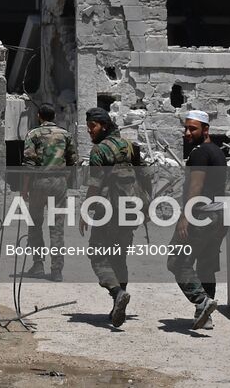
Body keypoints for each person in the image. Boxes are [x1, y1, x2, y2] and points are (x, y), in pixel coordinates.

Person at [167, 110, 226, 330]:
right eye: (186, 128)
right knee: (206, 266)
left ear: (206, 130)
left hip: (201, 215)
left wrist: (185, 216)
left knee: (177, 262)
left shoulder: (199, 153)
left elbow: (196, 186)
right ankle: (206, 317)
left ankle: (202, 302)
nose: (187, 132)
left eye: (193, 128)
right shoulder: (218, 152)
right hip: (219, 215)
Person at [85, 107, 141, 328]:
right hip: (130, 210)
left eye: (93, 127)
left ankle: (117, 293)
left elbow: (95, 184)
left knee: (97, 254)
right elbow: (143, 176)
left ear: (104, 126)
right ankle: (120, 301)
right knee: (119, 257)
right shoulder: (129, 146)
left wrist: (85, 211)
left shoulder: (99, 150)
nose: (90, 131)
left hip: (107, 211)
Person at [21, 103, 77, 280]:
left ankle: (38, 265)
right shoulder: (66, 134)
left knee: (35, 223)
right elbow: (73, 160)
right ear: (54, 117)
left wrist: (24, 188)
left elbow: (29, 163)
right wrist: (64, 179)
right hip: (59, 182)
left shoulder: (33, 134)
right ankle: (57, 270)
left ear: (39, 116)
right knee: (57, 227)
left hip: (39, 182)